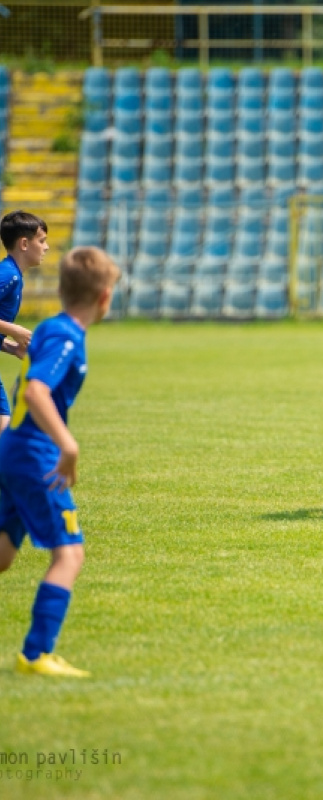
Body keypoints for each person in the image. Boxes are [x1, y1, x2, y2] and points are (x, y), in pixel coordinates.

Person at [0, 246, 120, 677]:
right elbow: (36, 392)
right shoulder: (68, 336)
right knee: (69, 554)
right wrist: (68, 446)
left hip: (11, 449)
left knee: (3, 554)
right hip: (35, 455)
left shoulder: (51, 326)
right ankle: (36, 655)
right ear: (104, 297)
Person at [0, 211, 50, 431]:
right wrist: (14, 329)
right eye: (42, 241)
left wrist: (11, 347)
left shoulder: (13, 275)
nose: (46, 247)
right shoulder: (7, 275)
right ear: (24, 244)